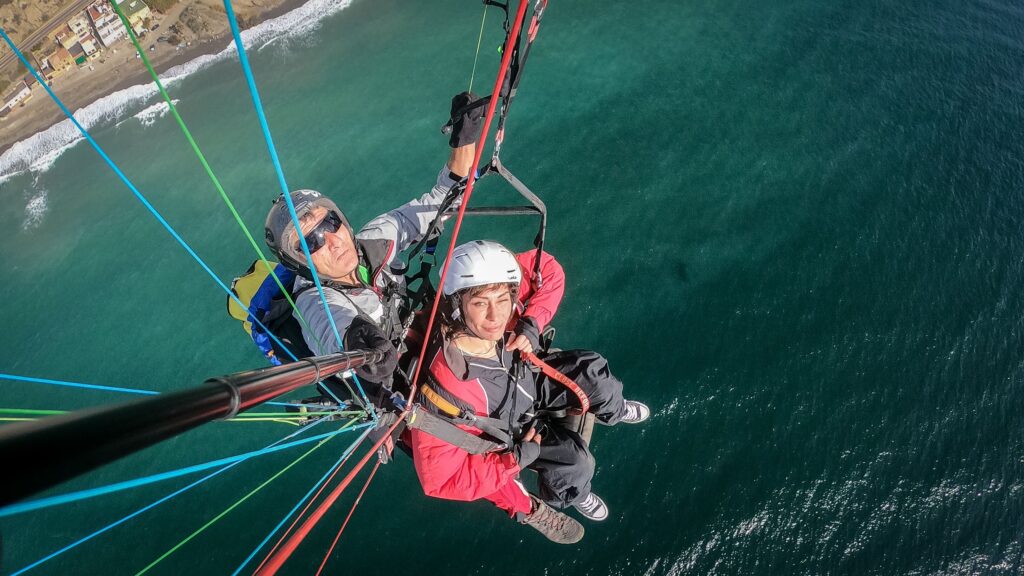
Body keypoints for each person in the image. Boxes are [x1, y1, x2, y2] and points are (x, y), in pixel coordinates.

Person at [408, 240, 651, 544]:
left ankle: (613, 410)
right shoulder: (447, 389)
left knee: (591, 371)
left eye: (502, 299)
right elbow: (442, 480)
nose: (495, 317)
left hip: (526, 379)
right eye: (481, 303)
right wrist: (513, 460)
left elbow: (547, 268)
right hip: (507, 433)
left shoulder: (497, 291)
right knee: (575, 463)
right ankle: (573, 494)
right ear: (457, 306)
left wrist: (531, 324)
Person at [261, 92, 485, 400]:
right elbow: (330, 329)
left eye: (330, 223)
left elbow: (442, 199)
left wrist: (466, 137)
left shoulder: (373, 241)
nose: (330, 240)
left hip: (426, 341)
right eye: (310, 241)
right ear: (298, 262)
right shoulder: (315, 302)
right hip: (398, 390)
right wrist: (358, 341)